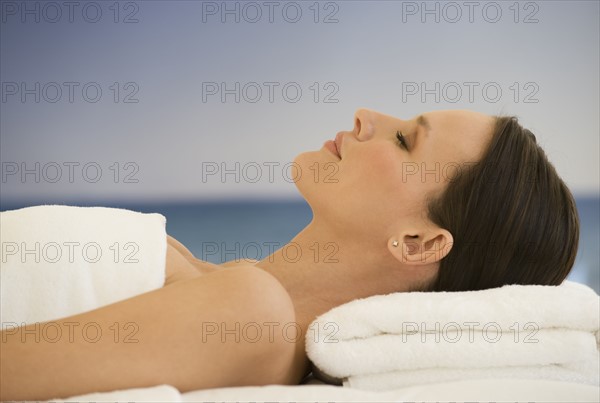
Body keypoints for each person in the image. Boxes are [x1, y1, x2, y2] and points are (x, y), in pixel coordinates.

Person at [0, 109, 579, 401]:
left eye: (404, 139)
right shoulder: (228, 293)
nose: (365, 116)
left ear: (419, 243)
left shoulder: (251, 315)